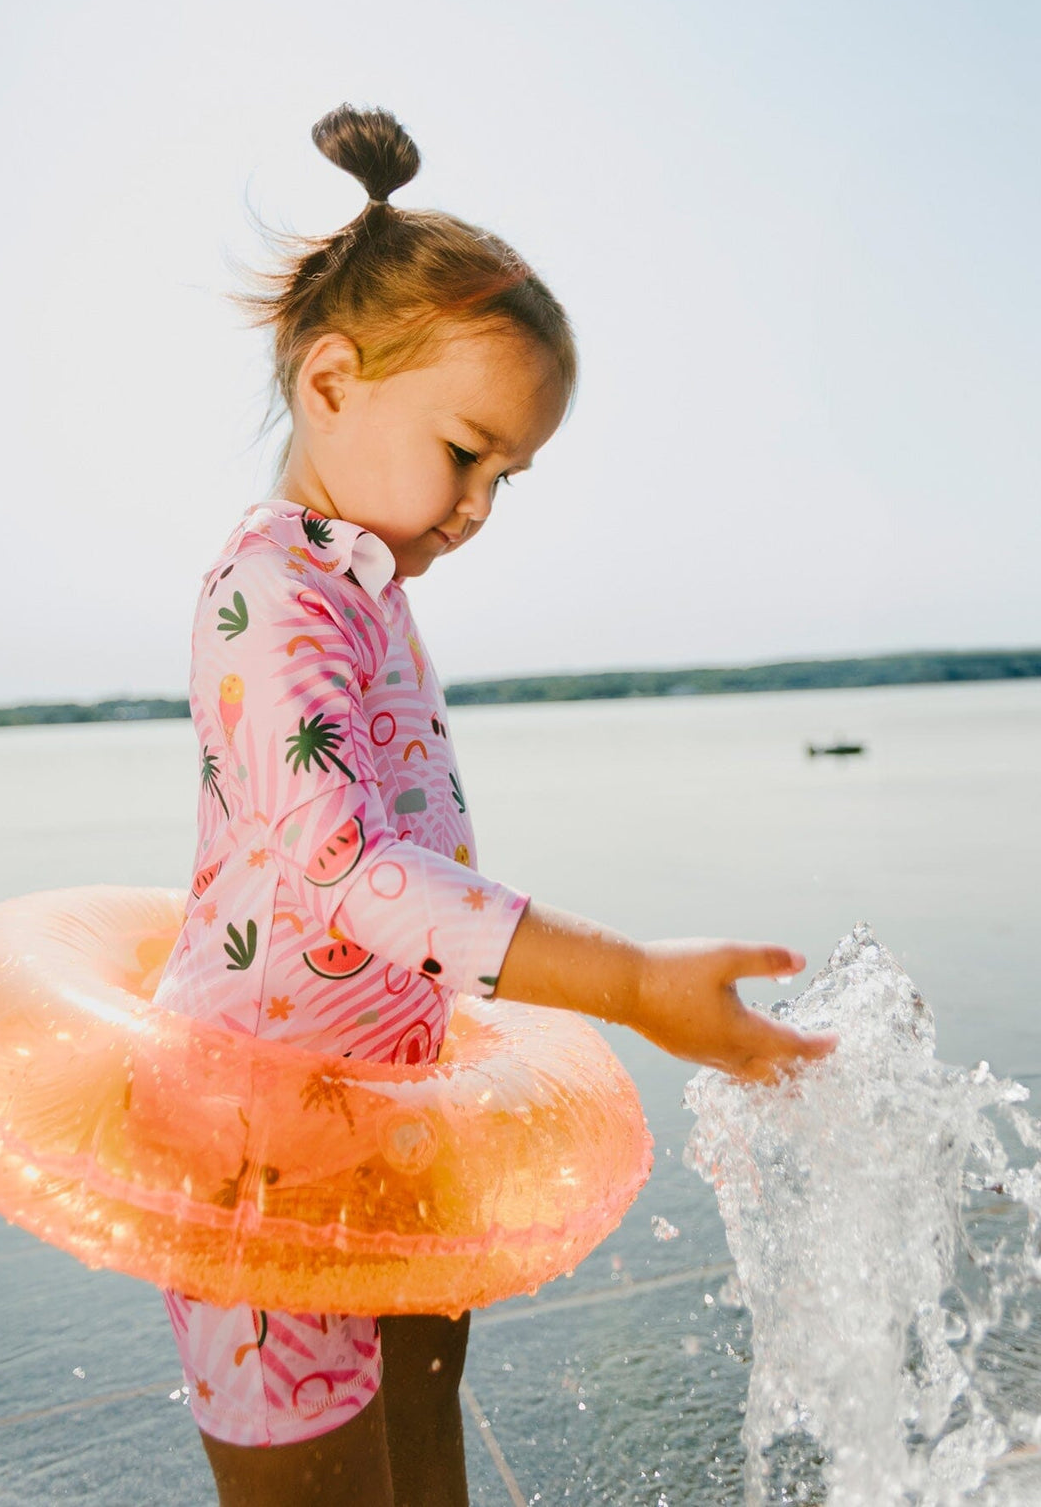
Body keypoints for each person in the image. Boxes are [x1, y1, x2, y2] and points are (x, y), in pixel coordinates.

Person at [152, 102, 837, 1507]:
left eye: (505, 476)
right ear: (332, 381)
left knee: (425, 1431)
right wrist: (630, 979)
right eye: (464, 453)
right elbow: (345, 864)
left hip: (383, 1111)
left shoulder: (364, 586)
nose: (477, 505)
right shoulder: (270, 594)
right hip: (266, 1152)